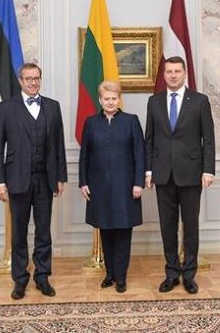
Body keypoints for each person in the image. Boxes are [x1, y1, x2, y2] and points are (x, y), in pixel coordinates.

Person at [0, 62, 67, 300]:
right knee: (19, 233)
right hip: (17, 180)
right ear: (20, 80)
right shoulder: (6, 108)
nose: (33, 83)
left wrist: (60, 177)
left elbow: (59, 145)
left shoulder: (53, 107)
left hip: (46, 179)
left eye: (37, 78)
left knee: (44, 232)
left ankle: (42, 276)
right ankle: (20, 280)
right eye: (29, 79)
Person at [145, 56, 215, 295]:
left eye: (177, 71)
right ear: (164, 75)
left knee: (191, 226)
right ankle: (172, 273)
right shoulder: (154, 101)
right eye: (169, 71)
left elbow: (208, 139)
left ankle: (189, 275)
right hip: (163, 173)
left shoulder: (200, 101)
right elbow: (149, 139)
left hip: (192, 173)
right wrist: (149, 170)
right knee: (168, 226)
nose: (173, 75)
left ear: (184, 73)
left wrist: (208, 169)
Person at [79, 80, 145, 293]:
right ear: (100, 100)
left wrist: (138, 183)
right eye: (106, 98)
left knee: (123, 232)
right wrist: (83, 182)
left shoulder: (131, 121)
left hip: (126, 188)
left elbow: (139, 154)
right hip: (98, 187)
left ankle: (121, 277)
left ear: (119, 99)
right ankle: (110, 274)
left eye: (114, 98)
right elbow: (84, 155)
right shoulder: (90, 123)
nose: (110, 102)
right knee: (105, 231)